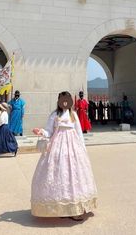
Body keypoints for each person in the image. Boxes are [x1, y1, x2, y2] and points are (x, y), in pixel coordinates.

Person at [31, 91, 97, 221]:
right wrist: (41, 131)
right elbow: (49, 131)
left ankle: (75, 208)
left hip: (73, 146)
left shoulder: (73, 115)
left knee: (74, 174)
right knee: (58, 174)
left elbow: (79, 132)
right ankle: (59, 207)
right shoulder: (54, 115)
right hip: (57, 146)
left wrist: (82, 149)